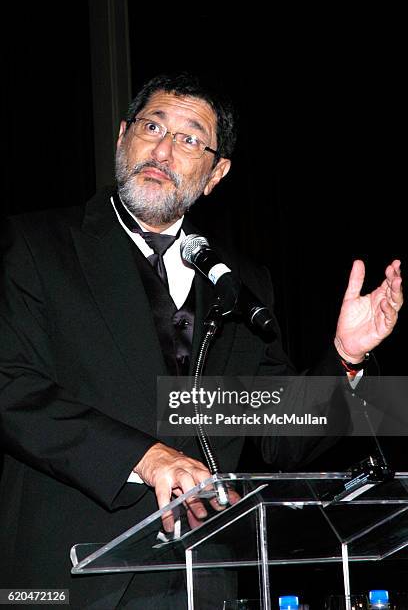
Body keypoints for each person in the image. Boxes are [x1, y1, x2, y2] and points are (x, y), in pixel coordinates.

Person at [0, 72, 403, 609]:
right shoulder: (35, 245)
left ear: (216, 173)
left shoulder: (241, 282)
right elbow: (11, 387)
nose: (163, 149)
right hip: (70, 579)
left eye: (190, 139)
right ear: (122, 138)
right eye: (152, 126)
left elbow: (278, 433)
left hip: (204, 581)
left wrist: (346, 356)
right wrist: (142, 456)